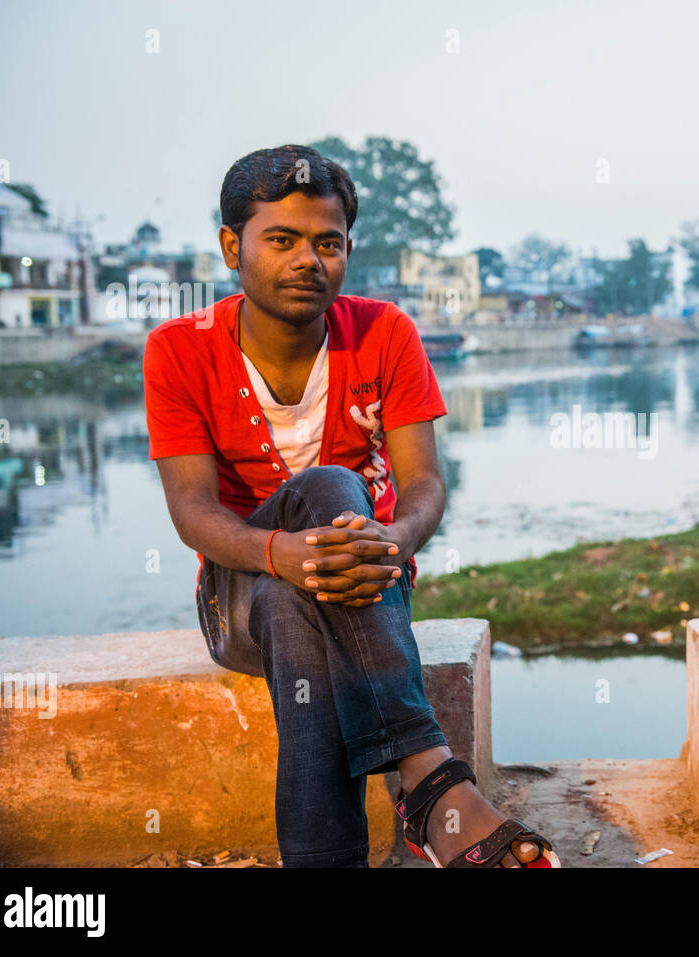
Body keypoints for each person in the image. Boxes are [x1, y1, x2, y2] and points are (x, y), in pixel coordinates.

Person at [142, 144, 556, 868]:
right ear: (232, 247)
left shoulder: (385, 332)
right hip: (237, 591)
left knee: (294, 606)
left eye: (327, 243)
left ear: (347, 251)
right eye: (284, 239)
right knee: (333, 492)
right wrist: (278, 552)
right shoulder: (180, 349)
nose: (310, 259)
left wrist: (391, 541)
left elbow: (425, 484)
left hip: (366, 577)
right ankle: (430, 781)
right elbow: (191, 509)